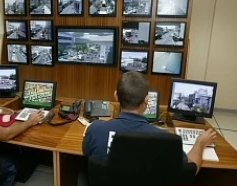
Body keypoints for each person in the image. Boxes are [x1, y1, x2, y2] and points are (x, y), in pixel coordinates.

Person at [82, 71, 216, 174]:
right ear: (147, 100)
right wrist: (200, 143)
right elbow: (190, 170)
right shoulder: (167, 140)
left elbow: (87, 153)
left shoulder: (95, 130)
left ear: (116, 96)